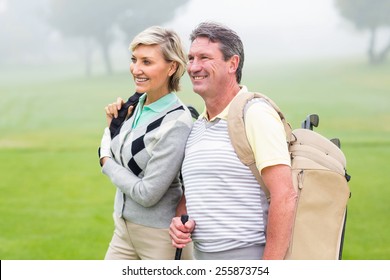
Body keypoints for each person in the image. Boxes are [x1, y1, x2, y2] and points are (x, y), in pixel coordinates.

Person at [168, 22, 298, 260]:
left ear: (232, 63)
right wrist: (181, 220)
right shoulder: (198, 127)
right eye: (191, 58)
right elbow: (196, 193)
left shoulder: (255, 113)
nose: (194, 67)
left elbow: (285, 194)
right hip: (202, 257)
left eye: (205, 57)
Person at [99, 26, 193, 260]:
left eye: (147, 62)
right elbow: (110, 144)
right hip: (122, 230)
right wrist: (113, 124)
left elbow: (148, 193)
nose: (136, 69)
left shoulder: (177, 122)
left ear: (172, 67)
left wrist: (105, 162)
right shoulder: (135, 105)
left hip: (160, 239)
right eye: (134, 60)